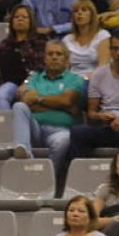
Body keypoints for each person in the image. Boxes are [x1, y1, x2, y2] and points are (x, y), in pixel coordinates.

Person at [11, 40, 84, 176]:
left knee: (64, 140)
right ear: (44, 58)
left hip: (61, 131)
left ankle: (47, 177)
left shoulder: (76, 79)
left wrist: (39, 100)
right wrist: (61, 107)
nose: (54, 57)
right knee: (19, 106)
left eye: (58, 54)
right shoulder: (35, 78)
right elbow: (27, 101)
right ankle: (25, 152)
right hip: (36, 128)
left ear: (66, 59)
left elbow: (66, 100)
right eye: (50, 54)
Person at [0, 4, 48, 111]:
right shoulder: (7, 42)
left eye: (24, 17)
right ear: (12, 21)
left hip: (33, 82)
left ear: (31, 21)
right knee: (0, 96)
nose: (20, 19)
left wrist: (27, 83)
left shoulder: (39, 40)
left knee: (26, 99)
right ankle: (8, 121)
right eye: (16, 17)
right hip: (10, 83)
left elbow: (40, 67)